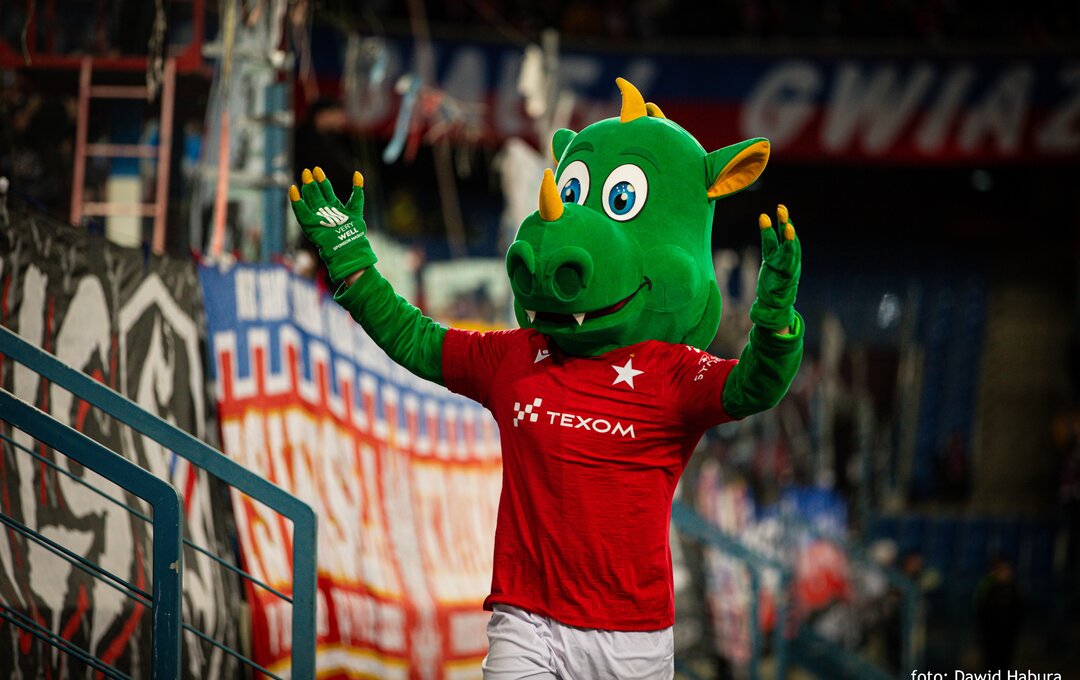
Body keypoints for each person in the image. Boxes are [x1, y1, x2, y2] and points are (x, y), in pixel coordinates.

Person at [289, 78, 804, 679]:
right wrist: (354, 267)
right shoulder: (515, 356)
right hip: (525, 621)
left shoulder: (674, 373)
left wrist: (775, 324)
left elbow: (755, 386)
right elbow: (416, 339)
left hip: (631, 638)